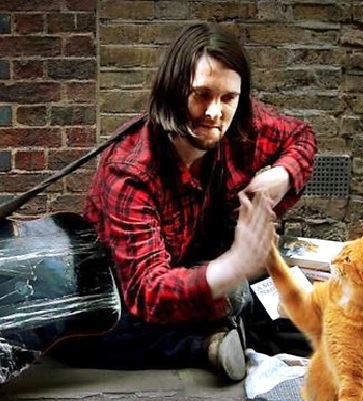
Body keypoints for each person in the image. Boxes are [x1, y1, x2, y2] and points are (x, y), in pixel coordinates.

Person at [52, 22, 317, 382]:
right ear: (172, 91)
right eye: (200, 94)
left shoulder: (239, 120)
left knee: (307, 323)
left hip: (198, 259)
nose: (214, 112)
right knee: (75, 334)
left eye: (228, 98)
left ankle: (230, 321)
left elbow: (301, 136)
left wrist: (281, 176)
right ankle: (205, 345)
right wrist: (231, 267)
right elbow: (149, 290)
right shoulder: (129, 170)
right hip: (125, 285)